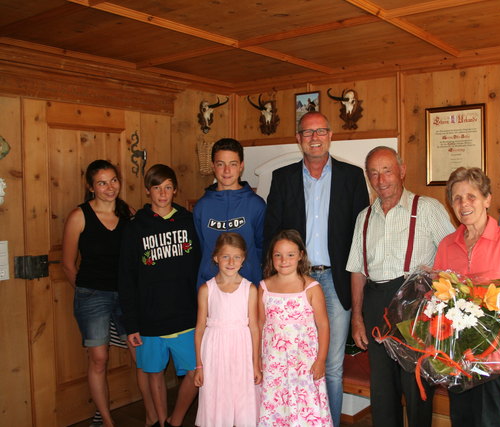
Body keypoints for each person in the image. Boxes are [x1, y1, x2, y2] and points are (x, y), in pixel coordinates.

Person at [264, 111, 369, 425]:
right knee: (293, 363)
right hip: (295, 283)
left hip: (336, 281)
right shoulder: (282, 178)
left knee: (332, 367)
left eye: (320, 131)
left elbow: (361, 230)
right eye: (307, 133)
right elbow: (272, 231)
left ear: (330, 135)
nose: (314, 138)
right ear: (298, 139)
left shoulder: (351, 176)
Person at [346, 146, 455, 427]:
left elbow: (453, 257)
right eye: (374, 173)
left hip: (415, 303)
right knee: (382, 390)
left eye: (387, 171)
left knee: (416, 384)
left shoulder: (428, 209)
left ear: (402, 171)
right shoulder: (364, 217)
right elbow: (357, 271)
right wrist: (357, 318)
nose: (381, 180)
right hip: (375, 301)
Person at [433, 167, 500, 427]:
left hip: (496, 355)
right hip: (457, 354)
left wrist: (496, 324)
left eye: (471, 196)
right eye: (457, 198)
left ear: (487, 199)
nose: (464, 204)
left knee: (486, 421)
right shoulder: (447, 245)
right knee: (461, 419)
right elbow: (437, 296)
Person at [62, 160, 156, 427]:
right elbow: (69, 266)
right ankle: (106, 419)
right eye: (102, 183)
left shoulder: (128, 213)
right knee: (99, 359)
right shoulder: (79, 216)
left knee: (142, 355)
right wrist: (86, 293)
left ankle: (152, 416)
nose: (109, 187)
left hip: (127, 296)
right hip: (93, 295)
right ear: (91, 187)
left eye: (113, 180)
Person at [118, 164, 201, 427]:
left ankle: (176, 420)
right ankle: (161, 421)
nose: (163, 194)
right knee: (154, 373)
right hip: (150, 318)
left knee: (195, 371)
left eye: (167, 187)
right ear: (147, 191)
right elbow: (126, 278)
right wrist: (131, 323)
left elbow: (201, 266)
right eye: (157, 188)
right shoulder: (134, 229)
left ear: (175, 190)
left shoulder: (189, 221)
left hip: (186, 316)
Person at [258, 229, 332, 426]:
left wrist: (321, 360)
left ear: (300, 256)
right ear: (271, 257)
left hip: (304, 362)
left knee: (305, 406)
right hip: (274, 362)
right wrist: (257, 359)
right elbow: (260, 324)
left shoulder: (311, 287)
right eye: (278, 255)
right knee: (277, 407)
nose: (284, 260)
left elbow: (323, 325)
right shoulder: (264, 287)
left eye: (290, 255)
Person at [194, 233, 261, 427]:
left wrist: (256, 363)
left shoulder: (250, 289)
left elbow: (254, 328)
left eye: (237, 257)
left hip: (242, 350)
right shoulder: (207, 289)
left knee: (241, 397)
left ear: (243, 259)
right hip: (214, 352)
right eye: (225, 257)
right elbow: (199, 328)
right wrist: (199, 365)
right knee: (218, 395)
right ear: (216, 258)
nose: (231, 262)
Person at [194, 138, 265, 287]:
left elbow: (262, 248)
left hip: (248, 288)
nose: (227, 171)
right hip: (211, 289)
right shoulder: (202, 206)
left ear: (241, 166)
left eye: (233, 164)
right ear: (213, 166)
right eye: (221, 164)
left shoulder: (256, 205)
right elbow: (200, 248)